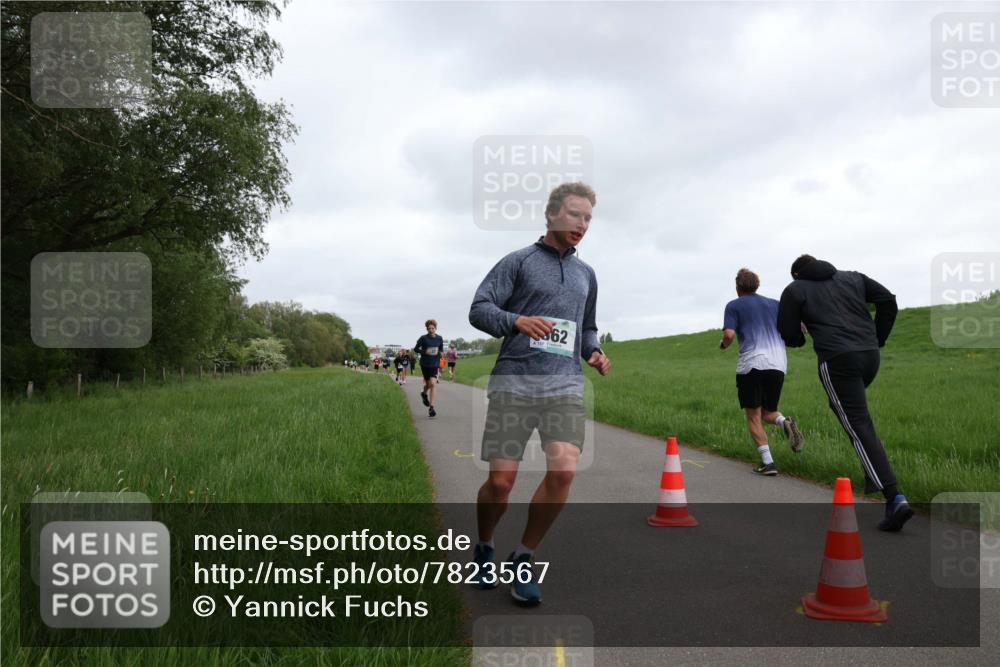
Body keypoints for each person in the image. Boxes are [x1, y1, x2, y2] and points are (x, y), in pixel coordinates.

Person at [468, 182, 611, 606]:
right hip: (515, 380)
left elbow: (586, 327)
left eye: (587, 218)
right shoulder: (518, 262)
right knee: (500, 481)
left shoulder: (587, 274)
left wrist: (596, 351)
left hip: (564, 384)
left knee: (564, 471)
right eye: (574, 215)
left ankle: (524, 556)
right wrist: (516, 321)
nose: (581, 224)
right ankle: (486, 546)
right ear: (551, 216)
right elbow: (479, 309)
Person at [777, 254, 912, 532]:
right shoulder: (854, 277)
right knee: (855, 417)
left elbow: (789, 334)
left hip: (837, 359)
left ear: (797, 275)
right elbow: (888, 300)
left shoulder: (795, 289)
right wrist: (878, 338)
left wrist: (801, 333)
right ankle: (875, 472)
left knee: (857, 423)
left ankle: (894, 497)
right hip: (870, 357)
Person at [720, 268, 804, 476]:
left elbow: (729, 334)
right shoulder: (775, 304)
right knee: (768, 412)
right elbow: (800, 327)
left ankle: (768, 463)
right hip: (778, 364)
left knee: (754, 416)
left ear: (738, 286)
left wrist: (723, 344)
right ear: (757, 284)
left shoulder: (734, 305)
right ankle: (785, 422)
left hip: (752, 365)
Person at [414, 321, 444, 418]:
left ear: (435, 328)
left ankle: (431, 408)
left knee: (433, 384)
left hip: (435, 364)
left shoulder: (439, 338)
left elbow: (441, 349)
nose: (431, 330)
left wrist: (441, 353)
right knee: (428, 384)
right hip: (425, 364)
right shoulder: (423, 338)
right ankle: (423, 393)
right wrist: (424, 351)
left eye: (433, 328)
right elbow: (416, 349)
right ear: (427, 329)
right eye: (429, 328)